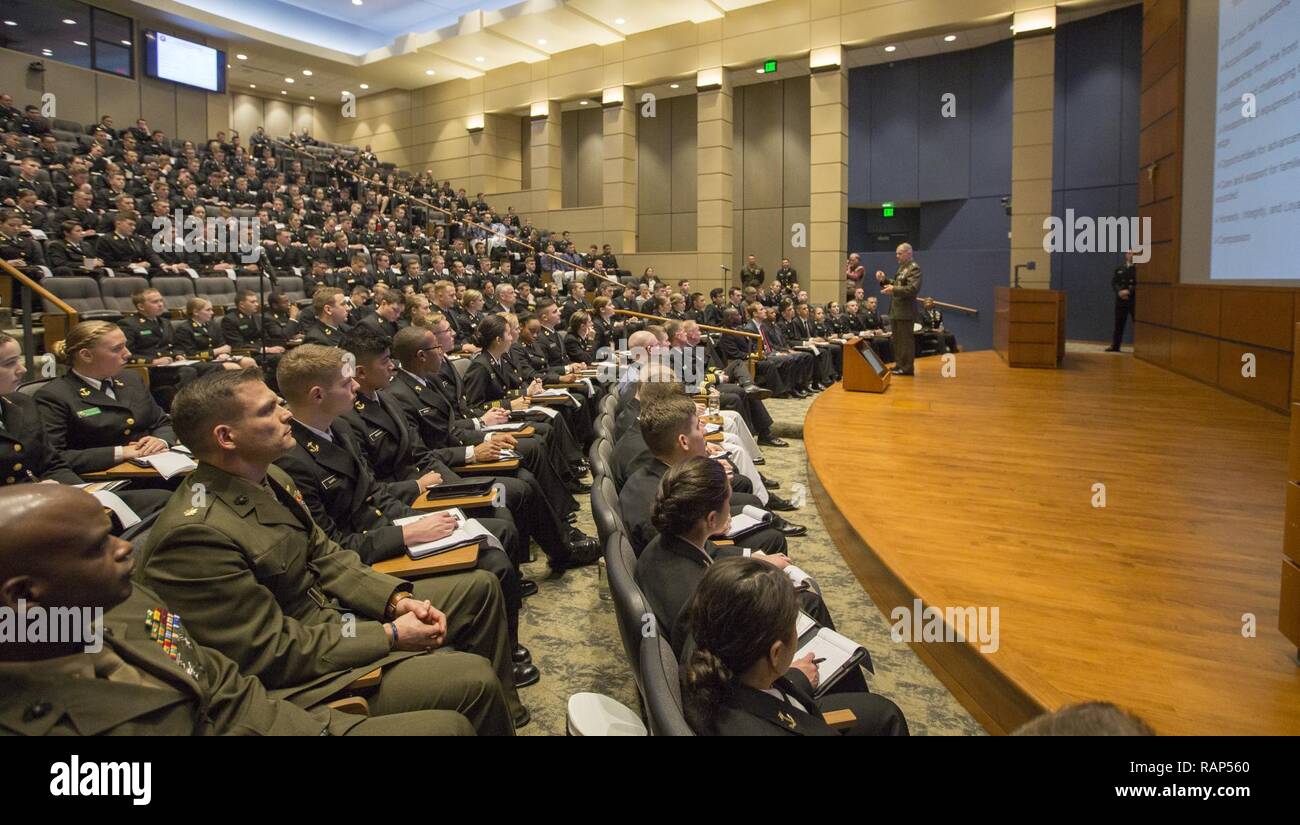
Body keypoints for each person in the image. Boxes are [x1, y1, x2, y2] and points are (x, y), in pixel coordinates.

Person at [134, 368, 527, 732]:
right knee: (473, 680)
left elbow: (326, 555)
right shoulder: (194, 537)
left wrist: (392, 601)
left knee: (478, 588)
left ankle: (505, 713)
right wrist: (388, 634)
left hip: (333, 615)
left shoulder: (271, 473)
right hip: (299, 674)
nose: (287, 415)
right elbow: (269, 651)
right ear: (226, 437)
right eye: (270, 410)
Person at [0, 485, 476, 736]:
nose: (125, 549)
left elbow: (218, 680)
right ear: (24, 595)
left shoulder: (127, 605)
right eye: (96, 547)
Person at [271, 344, 538, 688]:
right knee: (492, 565)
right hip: (367, 559)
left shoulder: (338, 428)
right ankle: (494, 666)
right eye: (345, 383)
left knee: (495, 530)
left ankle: (502, 653)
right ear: (318, 394)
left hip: (390, 524)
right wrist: (408, 533)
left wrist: (418, 519)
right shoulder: (292, 460)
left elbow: (375, 493)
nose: (355, 387)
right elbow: (331, 547)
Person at [680, 556, 909, 736]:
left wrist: (793, 677)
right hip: (796, 721)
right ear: (776, 653)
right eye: (794, 627)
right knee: (888, 714)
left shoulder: (704, 649)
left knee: (879, 712)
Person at [636, 457, 832, 658]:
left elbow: (707, 552)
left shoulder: (660, 544)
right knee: (810, 604)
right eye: (728, 501)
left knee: (806, 601)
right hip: (742, 668)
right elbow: (715, 669)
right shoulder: (702, 595)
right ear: (711, 519)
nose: (730, 507)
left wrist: (751, 560)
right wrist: (797, 675)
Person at [34, 322, 176, 476]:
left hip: (153, 467)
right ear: (86, 355)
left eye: (125, 346)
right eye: (117, 349)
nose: (128, 353)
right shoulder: (55, 395)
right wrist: (120, 452)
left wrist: (160, 440)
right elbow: (53, 458)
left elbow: (162, 421)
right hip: (103, 478)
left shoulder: (131, 379)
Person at [875, 243, 921, 375]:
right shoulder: (902, 268)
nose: (897, 256)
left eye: (899, 253)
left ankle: (906, 368)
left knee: (905, 341)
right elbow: (896, 284)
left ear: (908, 253)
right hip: (896, 310)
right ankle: (899, 364)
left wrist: (893, 289)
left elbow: (912, 289)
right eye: (896, 253)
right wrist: (884, 280)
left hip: (905, 311)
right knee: (897, 340)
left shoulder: (914, 268)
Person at [1108, 249, 1137, 353]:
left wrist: (1128, 292)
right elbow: (1114, 283)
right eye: (1128, 253)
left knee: (1137, 324)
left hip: (1133, 300)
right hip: (1121, 300)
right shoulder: (1119, 269)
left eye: (1132, 253)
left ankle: (1139, 348)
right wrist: (1119, 292)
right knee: (1118, 324)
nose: (1130, 255)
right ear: (1126, 255)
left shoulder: (1138, 269)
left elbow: (1138, 284)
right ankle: (1115, 346)